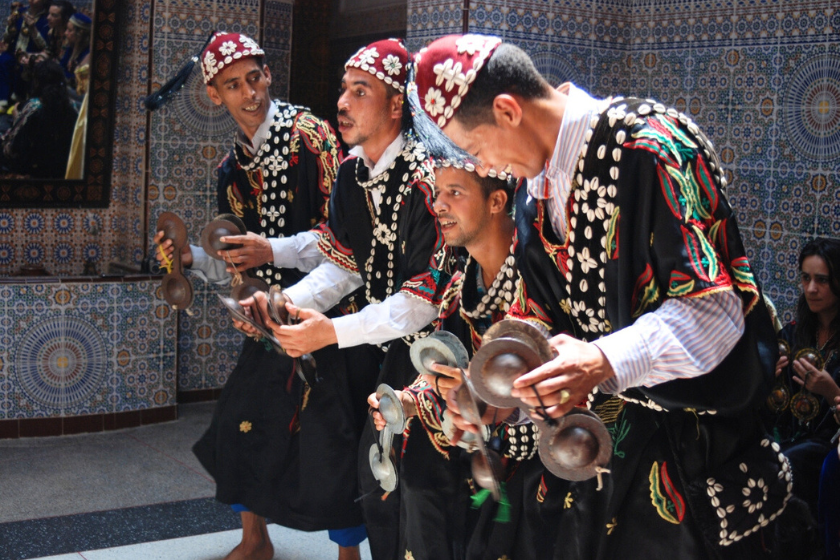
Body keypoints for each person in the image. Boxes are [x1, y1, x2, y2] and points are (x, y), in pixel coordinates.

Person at [412, 34, 801, 558]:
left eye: (477, 149)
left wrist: (601, 360)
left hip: (695, 466)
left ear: (507, 110)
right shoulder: (535, 196)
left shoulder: (651, 146)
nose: (488, 165)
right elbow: (540, 324)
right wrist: (499, 397)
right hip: (599, 476)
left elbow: (714, 311)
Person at [153, 32, 375, 560]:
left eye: (254, 78)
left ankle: (348, 555)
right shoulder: (231, 172)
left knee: (334, 439)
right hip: (270, 321)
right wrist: (191, 259)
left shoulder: (312, 137)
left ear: (268, 74)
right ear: (215, 95)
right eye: (233, 85)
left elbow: (346, 237)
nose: (249, 93)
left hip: (333, 316)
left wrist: (272, 255)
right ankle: (255, 540)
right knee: (237, 423)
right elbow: (239, 261)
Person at [251, 39, 451, 560]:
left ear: (396, 105)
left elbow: (425, 301)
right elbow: (344, 263)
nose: (342, 102)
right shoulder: (352, 172)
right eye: (343, 90)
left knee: (415, 488)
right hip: (379, 344)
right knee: (373, 478)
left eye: (360, 91)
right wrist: (285, 303)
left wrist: (332, 331)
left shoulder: (427, 177)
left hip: (436, 355)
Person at [367, 164, 562, 560]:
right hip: (474, 465)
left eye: (454, 192)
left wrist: (483, 398)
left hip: (536, 476)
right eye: (438, 193)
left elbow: (557, 393)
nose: (438, 205)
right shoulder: (460, 287)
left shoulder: (541, 279)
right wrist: (409, 401)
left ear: (496, 201)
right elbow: (445, 371)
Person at [767, 238, 840, 516]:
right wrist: (768, 378)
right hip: (785, 435)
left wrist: (831, 391)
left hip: (826, 447)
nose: (811, 288)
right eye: (806, 278)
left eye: (822, 280)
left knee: (785, 462)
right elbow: (770, 402)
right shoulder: (792, 335)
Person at [0, 57, 76, 177]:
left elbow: (13, 149)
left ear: (37, 82)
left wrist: (17, 118)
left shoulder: (33, 106)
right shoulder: (73, 107)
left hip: (31, 171)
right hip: (62, 169)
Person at [0, 0, 50, 107]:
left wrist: (33, 28)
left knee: (25, 65)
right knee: (3, 60)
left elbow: (44, 46)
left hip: (31, 54)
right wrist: (10, 26)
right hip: (14, 52)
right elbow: (7, 38)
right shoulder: (20, 12)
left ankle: (19, 100)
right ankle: (3, 99)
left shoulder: (46, 19)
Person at [60, 12, 89, 90]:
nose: (65, 33)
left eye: (69, 30)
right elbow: (62, 66)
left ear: (80, 34)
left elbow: (80, 84)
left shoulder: (88, 53)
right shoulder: (71, 47)